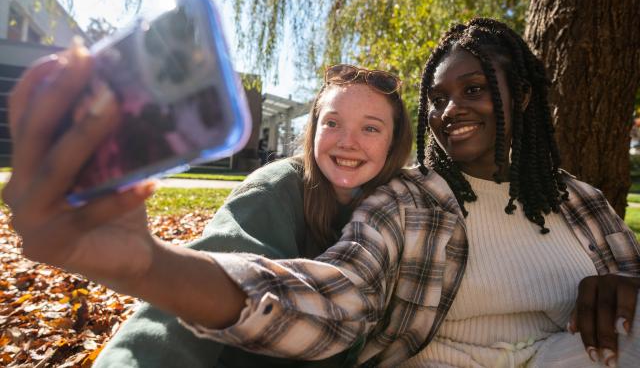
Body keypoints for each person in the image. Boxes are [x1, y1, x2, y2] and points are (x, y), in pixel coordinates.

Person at [7, 19, 640, 367]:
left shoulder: (579, 200)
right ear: (310, 131)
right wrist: (151, 264)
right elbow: (334, 299)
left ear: (522, 97)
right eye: (440, 98)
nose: (451, 111)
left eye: (474, 90)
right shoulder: (405, 199)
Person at [3, 48, 412, 367]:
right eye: (332, 122)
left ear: (394, 144)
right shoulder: (277, 188)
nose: (347, 142)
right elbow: (202, 279)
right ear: (314, 129)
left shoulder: (397, 208)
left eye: (370, 128)